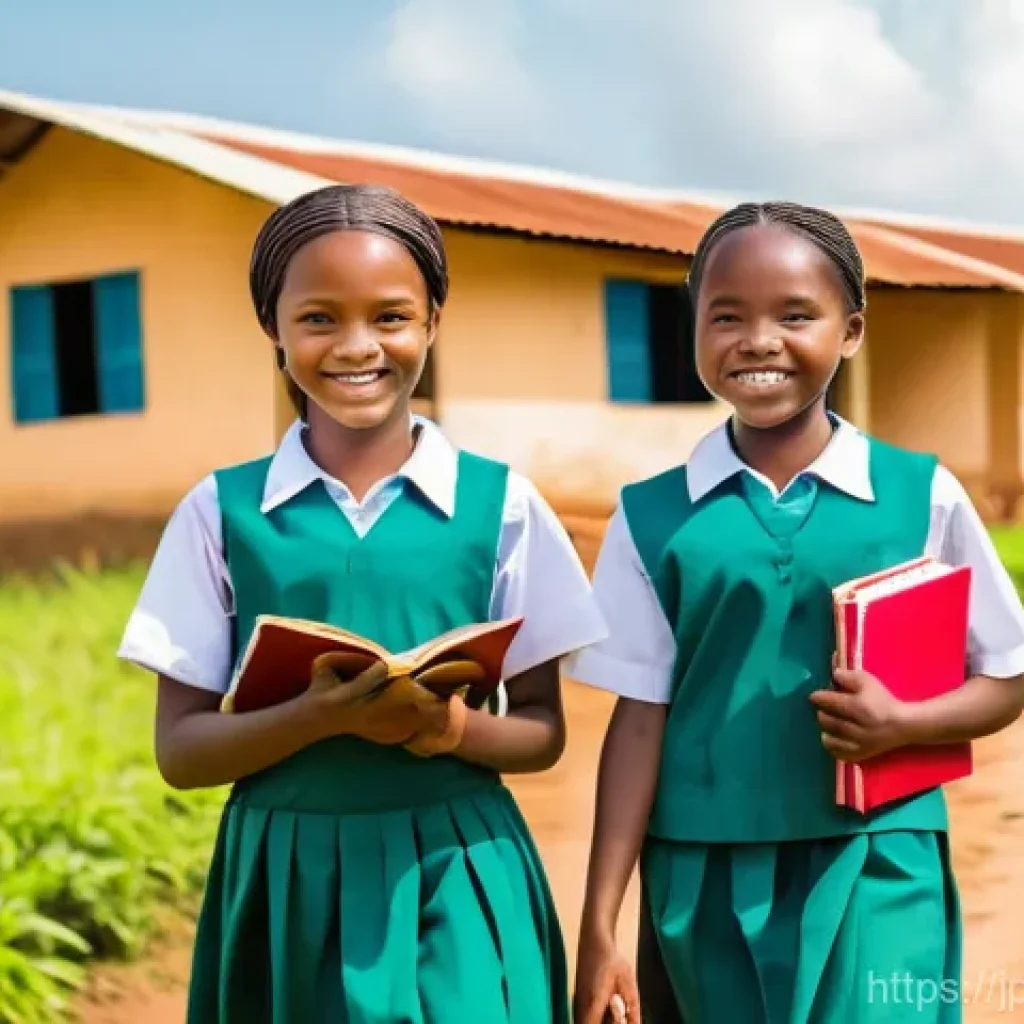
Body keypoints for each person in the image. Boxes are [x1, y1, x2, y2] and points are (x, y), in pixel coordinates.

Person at [117, 183, 608, 1024]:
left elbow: (541, 731)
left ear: (433, 321)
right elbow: (183, 752)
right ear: (273, 327)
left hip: (460, 865)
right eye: (318, 319)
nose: (357, 346)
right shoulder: (221, 513)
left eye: (390, 317)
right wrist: (321, 717)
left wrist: (442, 727)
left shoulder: (502, 507)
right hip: (291, 873)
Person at [569, 201, 1024, 1024]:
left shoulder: (920, 495)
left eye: (794, 314)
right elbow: (638, 720)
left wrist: (906, 722)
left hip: (877, 853)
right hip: (702, 871)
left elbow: (1007, 674)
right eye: (727, 316)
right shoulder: (651, 518)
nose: (758, 339)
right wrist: (600, 923)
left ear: (849, 331)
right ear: (696, 330)